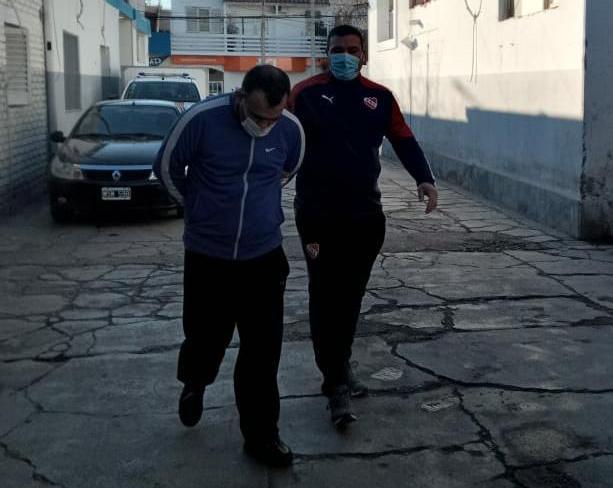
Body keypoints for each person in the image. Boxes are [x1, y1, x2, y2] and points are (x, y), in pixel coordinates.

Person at [154, 64, 305, 467]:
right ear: (240, 97)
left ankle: (261, 436)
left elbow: (287, 170)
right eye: (256, 116)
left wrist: (259, 211)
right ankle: (195, 383)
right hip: (208, 257)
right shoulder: (201, 120)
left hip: (263, 258)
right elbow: (166, 168)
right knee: (206, 337)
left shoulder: (291, 130)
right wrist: (198, 209)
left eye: (272, 118)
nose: (264, 126)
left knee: (262, 352)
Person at [289, 25, 438, 428]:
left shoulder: (380, 98)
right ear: (326, 54)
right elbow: (276, 131)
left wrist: (424, 178)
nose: (344, 56)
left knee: (350, 297)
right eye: (337, 49)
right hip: (317, 217)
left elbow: (404, 140)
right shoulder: (303, 94)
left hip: (365, 217)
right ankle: (336, 382)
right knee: (325, 295)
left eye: (352, 49)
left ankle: (339, 367)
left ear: (364, 55)